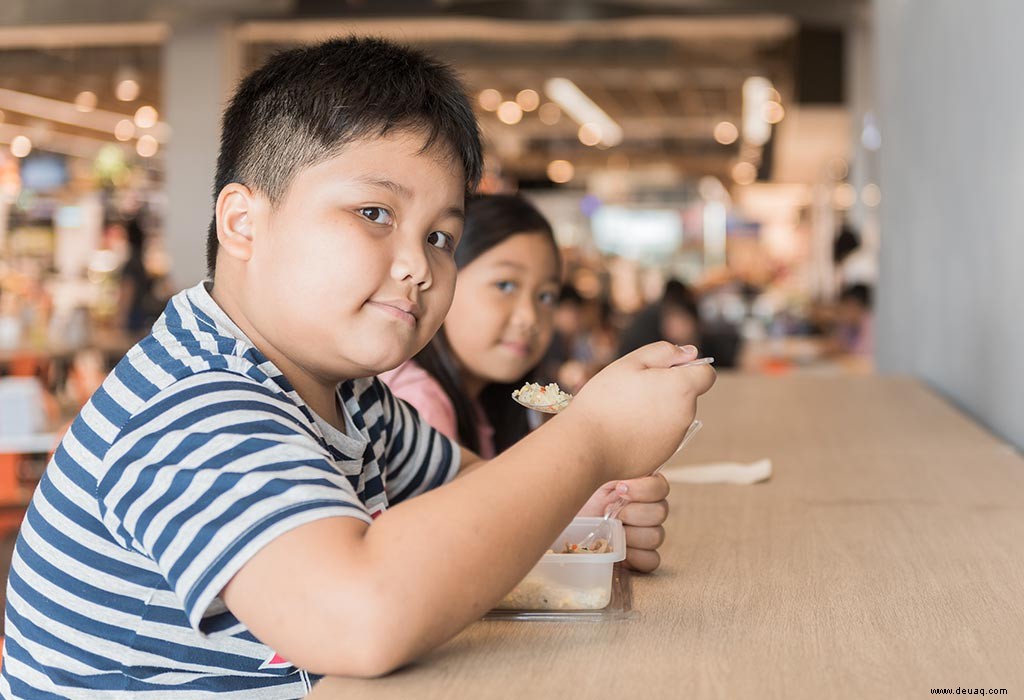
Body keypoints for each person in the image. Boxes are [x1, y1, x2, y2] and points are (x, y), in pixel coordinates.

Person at [1, 37, 715, 697]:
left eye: (440, 236)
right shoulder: (190, 403)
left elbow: (474, 494)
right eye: (374, 212)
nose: (417, 266)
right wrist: (589, 440)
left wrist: (586, 508)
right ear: (243, 222)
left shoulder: (351, 395)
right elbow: (359, 617)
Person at [381, 195, 668, 571]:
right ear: (440, 276)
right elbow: (444, 555)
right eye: (505, 285)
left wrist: (593, 509)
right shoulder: (417, 401)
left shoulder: (490, 402)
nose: (529, 316)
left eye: (546, 295)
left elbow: (489, 517)